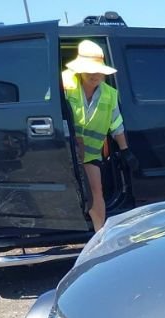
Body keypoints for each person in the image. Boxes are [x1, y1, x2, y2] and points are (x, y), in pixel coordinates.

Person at [62, 40, 136, 231]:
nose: (95, 74)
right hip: (65, 152)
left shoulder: (110, 95)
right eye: (90, 69)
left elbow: (116, 125)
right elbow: (50, 115)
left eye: (98, 70)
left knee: (97, 192)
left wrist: (125, 150)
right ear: (80, 69)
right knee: (68, 193)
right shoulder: (64, 84)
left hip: (90, 155)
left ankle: (99, 235)